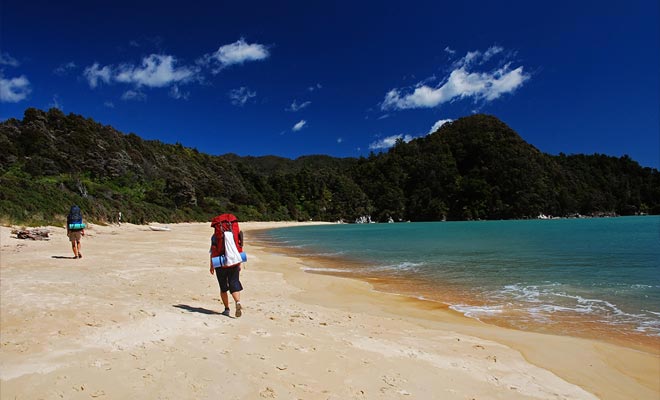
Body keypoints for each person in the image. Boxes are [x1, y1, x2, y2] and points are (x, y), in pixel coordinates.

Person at [209, 233, 243, 317]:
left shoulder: (215, 236)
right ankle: (237, 301)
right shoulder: (234, 234)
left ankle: (227, 309)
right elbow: (238, 249)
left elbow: (212, 251)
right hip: (233, 262)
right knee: (234, 283)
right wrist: (239, 263)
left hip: (220, 263)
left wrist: (211, 265)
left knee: (223, 287)